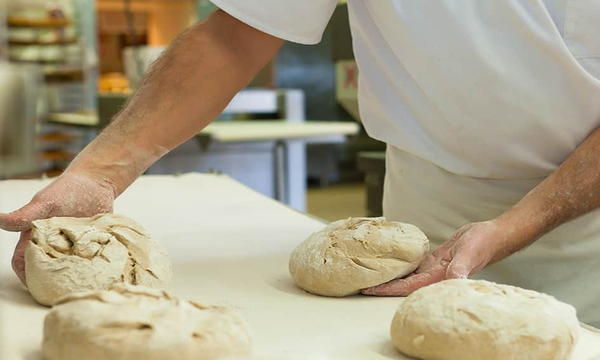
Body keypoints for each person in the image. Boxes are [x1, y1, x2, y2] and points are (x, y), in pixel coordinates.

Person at [1, 1, 600, 327]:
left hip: (589, 232)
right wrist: (96, 175)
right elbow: (235, 38)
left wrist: (510, 228)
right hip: (427, 223)